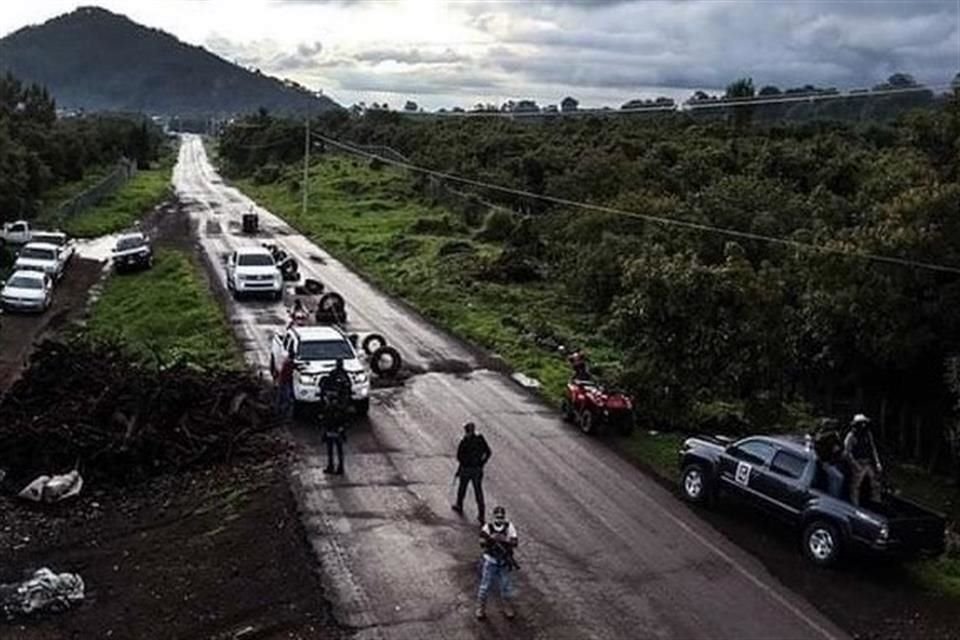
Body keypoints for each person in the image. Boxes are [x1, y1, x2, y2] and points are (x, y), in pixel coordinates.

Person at [476, 505, 519, 621]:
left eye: (502, 517)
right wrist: (491, 540)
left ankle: (507, 607)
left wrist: (503, 540)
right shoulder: (488, 528)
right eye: (498, 517)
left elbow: (515, 542)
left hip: (504, 561)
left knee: (506, 586)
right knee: (485, 586)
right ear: (494, 517)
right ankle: (481, 608)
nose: (500, 519)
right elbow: (481, 542)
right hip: (491, 561)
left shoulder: (509, 527)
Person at [452, 422, 491, 523]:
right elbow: (488, 452)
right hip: (477, 470)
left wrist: (460, 468)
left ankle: (459, 505)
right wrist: (482, 463)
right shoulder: (480, 439)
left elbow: (459, 457)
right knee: (478, 491)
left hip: (466, 469)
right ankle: (481, 514)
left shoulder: (464, 441)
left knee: (462, 488)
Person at [319, 359, 352, 474]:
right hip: (333, 419)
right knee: (334, 445)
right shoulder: (341, 377)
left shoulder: (342, 378)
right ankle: (334, 465)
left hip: (336, 418)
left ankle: (337, 466)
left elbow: (347, 395)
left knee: (336, 445)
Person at [844, 414, 883, 506]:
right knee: (855, 486)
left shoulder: (868, 434)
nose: (863, 425)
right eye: (861, 423)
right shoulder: (851, 436)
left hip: (868, 462)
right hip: (858, 463)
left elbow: (872, 449)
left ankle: (876, 504)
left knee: (876, 483)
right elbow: (847, 453)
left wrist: (877, 463)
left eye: (864, 423)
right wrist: (855, 465)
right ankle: (855, 506)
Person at [273, 345, 296, 419]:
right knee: (286, 398)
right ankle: (282, 413)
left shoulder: (287, 362)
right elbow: (289, 370)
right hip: (284, 382)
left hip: (283, 381)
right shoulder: (288, 363)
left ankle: (278, 412)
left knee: (280, 398)